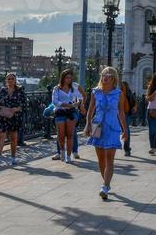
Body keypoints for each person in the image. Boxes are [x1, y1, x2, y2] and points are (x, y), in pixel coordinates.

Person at [85, 66, 128, 200]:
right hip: (97, 125)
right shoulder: (95, 92)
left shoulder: (119, 93)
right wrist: (87, 125)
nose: (106, 76)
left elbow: (120, 112)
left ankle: (104, 186)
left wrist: (125, 129)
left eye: (109, 75)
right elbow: (90, 110)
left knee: (109, 158)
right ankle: (107, 184)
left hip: (112, 126)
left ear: (114, 78)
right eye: (104, 74)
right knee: (101, 158)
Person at [0, 73, 26, 165]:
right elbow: (0, 102)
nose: (10, 80)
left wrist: (16, 109)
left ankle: (13, 158)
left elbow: (24, 104)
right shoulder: (3, 90)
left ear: (15, 80)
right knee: (1, 136)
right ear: (6, 80)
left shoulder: (19, 90)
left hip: (14, 116)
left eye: (12, 79)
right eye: (8, 79)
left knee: (13, 138)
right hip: (3, 116)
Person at [50, 70, 78, 162]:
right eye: (67, 78)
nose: (68, 80)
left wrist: (76, 103)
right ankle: (62, 151)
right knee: (61, 135)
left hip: (70, 112)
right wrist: (65, 104)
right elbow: (55, 101)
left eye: (70, 78)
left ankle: (69, 156)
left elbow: (78, 99)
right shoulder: (57, 88)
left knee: (70, 135)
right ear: (63, 78)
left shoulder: (73, 88)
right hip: (60, 112)